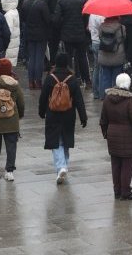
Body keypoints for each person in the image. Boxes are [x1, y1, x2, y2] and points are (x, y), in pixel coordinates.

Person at [40, 54, 87, 185]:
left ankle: (61, 167)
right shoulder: (72, 79)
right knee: (65, 141)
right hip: (68, 114)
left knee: (56, 142)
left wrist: (41, 112)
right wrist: (83, 117)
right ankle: (64, 165)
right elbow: (79, 100)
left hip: (53, 114)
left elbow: (43, 97)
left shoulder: (50, 78)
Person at [100, 72, 132, 200]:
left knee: (116, 165)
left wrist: (106, 133)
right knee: (127, 165)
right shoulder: (130, 100)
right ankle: (126, 191)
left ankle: (117, 190)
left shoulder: (108, 98)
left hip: (113, 136)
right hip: (129, 137)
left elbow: (103, 120)